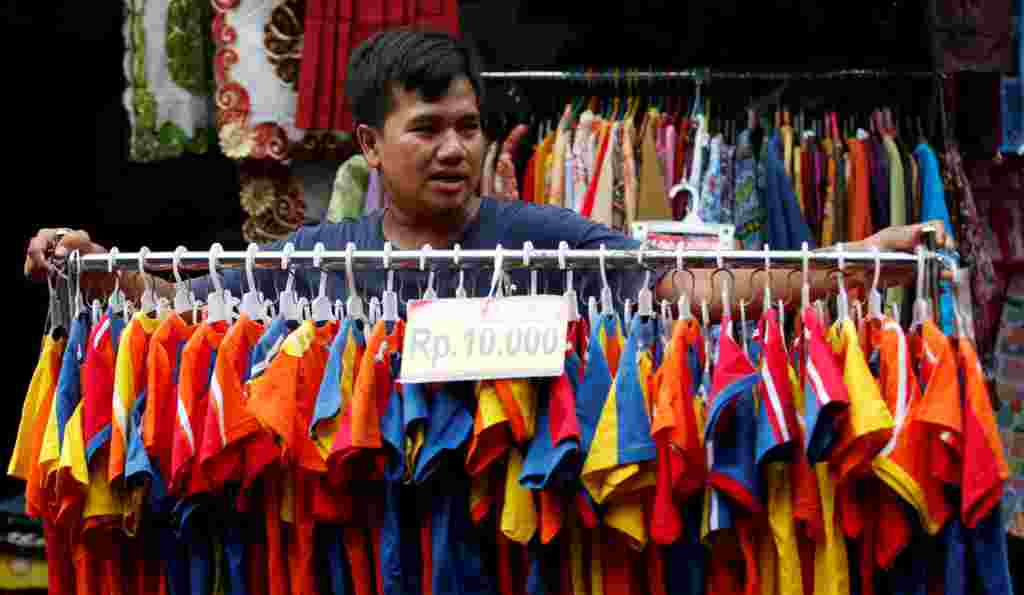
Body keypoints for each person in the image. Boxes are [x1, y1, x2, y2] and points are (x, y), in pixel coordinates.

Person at [24, 29, 946, 314]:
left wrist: (854, 258)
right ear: (366, 146)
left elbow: (689, 287)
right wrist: (93, 263)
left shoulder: (550, 242)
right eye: (427, 129)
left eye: (468, 125)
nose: (456, 148)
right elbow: (191, 301)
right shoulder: (323, 253)